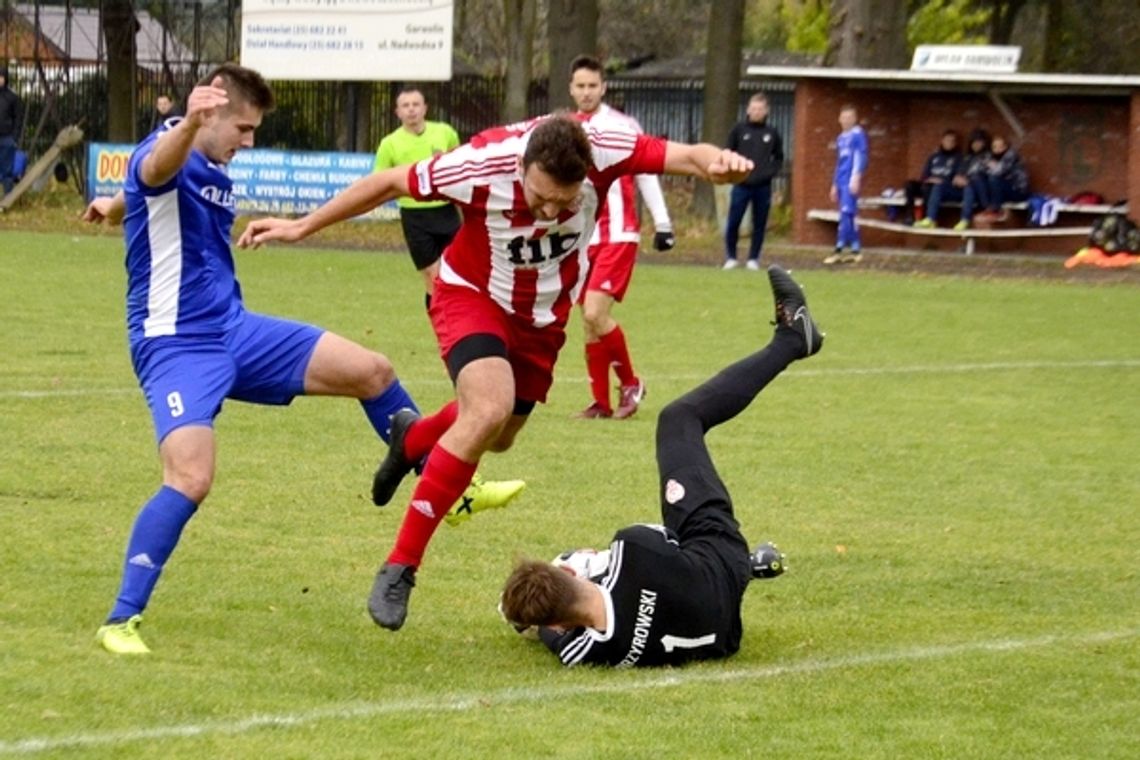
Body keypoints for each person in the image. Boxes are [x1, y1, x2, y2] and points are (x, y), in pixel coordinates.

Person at [239, 113, 755, 632]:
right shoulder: (479, 164)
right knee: (487, 408)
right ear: (522, 164)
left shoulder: (608, 145)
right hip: (472, 295)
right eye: (539, 197)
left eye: (565, 200)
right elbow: (391, 182)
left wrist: (721, 164)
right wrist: (302, 225)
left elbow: (689, 156)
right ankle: (401, 566)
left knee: (502, 436)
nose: (551, 211)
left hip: (543, 317)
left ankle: (413, 436)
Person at [82, 64, 521, 655]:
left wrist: (108, 205)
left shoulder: (207, 162)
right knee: (191, 477)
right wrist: (187, 124)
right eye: (243, 127)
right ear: (208, 114)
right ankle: (121, 619)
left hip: (235, 329)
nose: (249, 140)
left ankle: (448, 490)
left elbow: (135, 194)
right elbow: (154, 169)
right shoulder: (173, 147)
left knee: (374, 371)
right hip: (175, 344)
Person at [498, 265, 822, 667]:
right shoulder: (630, 550)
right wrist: (589, 562)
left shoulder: (586, 652)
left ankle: (748, 568)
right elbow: (669, 538)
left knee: (672, 582)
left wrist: (533, 618)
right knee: (679, 419)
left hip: (722, 631)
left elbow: (553, 634)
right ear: (576, 578)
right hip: (717, 552)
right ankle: (793, 338)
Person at [568, 54, 674, 420]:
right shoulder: (565, 126)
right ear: (572, 88)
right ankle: (601, 402)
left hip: (618, 233)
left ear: (603, 87)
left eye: (592, 86)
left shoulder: (623, 125)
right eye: (580, 86)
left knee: (596, 311)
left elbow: (646, 172)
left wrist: (663, 223)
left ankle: (631, 382)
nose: (586, 92)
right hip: (583, 238)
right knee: (588, 319)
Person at [373, 86, 462, 304]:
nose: (411, 110)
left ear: (425, 108)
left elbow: (459, 164)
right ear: (398, 112)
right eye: (406, 105)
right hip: (415, 218)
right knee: (433, 276)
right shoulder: (389, 144)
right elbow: (378, 181)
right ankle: (441, 323)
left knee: (457, 274)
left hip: (446, 213)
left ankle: (456, 323)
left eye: (415, 104)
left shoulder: (445, 133)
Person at [723, 92, 784, 270]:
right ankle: (731, 257)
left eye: (760, 109)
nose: (756, 112)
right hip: (741, 185)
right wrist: (735, 171)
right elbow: (728, 152)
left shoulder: (771, 133)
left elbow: (778, 158)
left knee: (759, 223)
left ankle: (753, 258)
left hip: (762, 187)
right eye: (754, 108)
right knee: (734, 221)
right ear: (748, 110)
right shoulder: (738, 130)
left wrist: (768, 173)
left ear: (766, 111)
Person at [823, 104, 868, 265]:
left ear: (855, 119)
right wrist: (834, 184)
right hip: (841, 180)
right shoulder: (841, 138)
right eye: (844, 117)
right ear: (839, 119)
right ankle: (856, 250)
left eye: (850, 117)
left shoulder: (858, 135)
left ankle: (839, 249)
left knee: (846, 213)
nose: (846, 120)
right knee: (849, 214)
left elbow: (861, 156)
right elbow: (839, 162)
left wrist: (856, 177)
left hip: (850, 180)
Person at [956, 134, 1029, 230]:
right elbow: (977, 171)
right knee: (977, 178)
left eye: (1001, 146)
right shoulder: (989, 157)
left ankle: (995, 210)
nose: (998, 149)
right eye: (995, 146)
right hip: (1000, 192)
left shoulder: (1011, 155)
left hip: (1016, 190)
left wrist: (991, 166)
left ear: (1006, 147)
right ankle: (988, 208)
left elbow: (999, 171)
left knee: (993, 178)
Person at [908, 129, 963, 228]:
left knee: (934, 187)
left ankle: (930, 219)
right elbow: (924, 175)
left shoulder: (958, 158)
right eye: (947, 140)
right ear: (942, 141)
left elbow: (957, 179)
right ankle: (911, 218)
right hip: (930, 183)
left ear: (955, 143)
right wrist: (929, 179)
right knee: (910, 185)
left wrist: (942, 181)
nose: (949, 143)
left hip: (947, 188)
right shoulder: (934, 156)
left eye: (952, 141)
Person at [0, 67, 25, 195]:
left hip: (6, 138)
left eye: (1, 77)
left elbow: (18, 118)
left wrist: (14, 137)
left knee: (7, 171)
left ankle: (7, 199)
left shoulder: (12, 98)